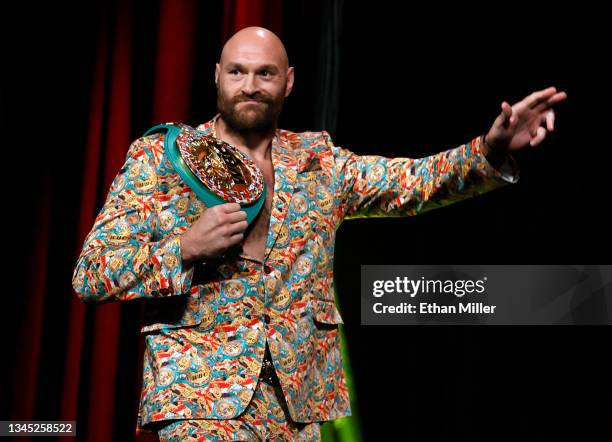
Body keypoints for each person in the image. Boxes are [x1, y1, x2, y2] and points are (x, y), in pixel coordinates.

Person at [72, 26, 567, 441]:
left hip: (298, 405)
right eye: (237, 71)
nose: (250, 85)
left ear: (288, 82)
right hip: (201, 398)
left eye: (265, 73)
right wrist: (184, 248)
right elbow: (91, 274)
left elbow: (414, 183)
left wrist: (491, 147)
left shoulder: (319, 161)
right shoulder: (164, 157)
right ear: (216, 77)